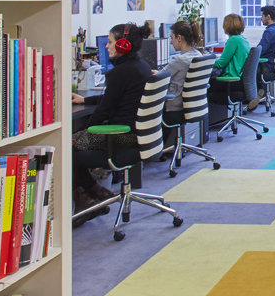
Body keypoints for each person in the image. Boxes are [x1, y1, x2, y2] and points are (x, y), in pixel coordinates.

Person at [71, 22, 154, 225]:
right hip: (137, 136)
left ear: (123, 45)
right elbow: (114, 98)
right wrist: (85, 100)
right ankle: (91, 197)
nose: (106, 47)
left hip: (119, 139)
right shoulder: (140, 67)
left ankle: (92, 196)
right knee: (75, 143)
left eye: (109, 42)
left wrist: (84, 131)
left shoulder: (120, 72)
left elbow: (103, 111)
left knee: (67, 148)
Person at [162, 19, 203, 147]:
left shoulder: (179, 60)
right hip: (194, 107)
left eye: (172, 38)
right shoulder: (198, 55)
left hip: (175, 109)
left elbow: (157, 79)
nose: (170, 42)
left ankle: (151, 152)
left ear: (179, 38)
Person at [207, 13, 250, 109]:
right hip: (240, 81)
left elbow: (221, 63)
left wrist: (205, 62)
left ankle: (205, 123)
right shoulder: (243, 40)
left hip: (231, 81)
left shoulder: (233, 40)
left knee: (204, 88)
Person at [247, 5, 275, 112]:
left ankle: (252, 97)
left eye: (261, 16)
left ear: (268, 17)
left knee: (245, 70)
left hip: (266, 67)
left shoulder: (269, 32)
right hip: (273, 66)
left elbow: (259, 51)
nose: (260, 18)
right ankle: (259, 92)